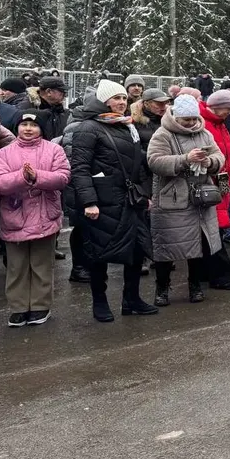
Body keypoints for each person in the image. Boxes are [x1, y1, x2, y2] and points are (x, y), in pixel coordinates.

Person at [66, 80, 159, 322]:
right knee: (100, 253)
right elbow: (80, 168)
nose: (121, 103)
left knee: (136, 250)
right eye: (116, 98)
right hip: (103, 201)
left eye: (124, 99)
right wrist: (88, 202)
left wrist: (145, 194)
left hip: (131, 200)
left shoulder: (128, 126)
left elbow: (139, 164)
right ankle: (100, 302)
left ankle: (132, 299)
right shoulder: (88, 127)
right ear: (103, 101)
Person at [146, 94, 230, 305]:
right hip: (171, 200)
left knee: (199, 246)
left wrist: (209, 162)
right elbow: (154, 161)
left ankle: (195, 286)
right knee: (166, 246)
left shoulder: (204, 133)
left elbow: (220, 157)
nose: (191, 123)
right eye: (187, 119)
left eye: (194, 118)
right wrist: (185, 159)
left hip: (200, 199)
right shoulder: (162, 134)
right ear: (176, 116)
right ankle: (162, 288)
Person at [0, 111, 71, 327]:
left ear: (41, 129)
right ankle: (18, 307)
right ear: (17, 127)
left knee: (41, 264)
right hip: (14, 216)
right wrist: (21, 177)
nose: (28, 129)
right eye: (24, 124)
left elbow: (63, 177)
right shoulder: (3, 153)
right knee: (16, 266)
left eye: (33, 125)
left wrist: (37, 176)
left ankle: (40, 305)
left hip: (44, 215)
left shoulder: (54, 150)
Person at [200, 89, 230, 246]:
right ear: (217, 106)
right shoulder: (203, 124)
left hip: (221, 180)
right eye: (228, 108)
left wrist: (228, 185)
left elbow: (227, 157)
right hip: (209, 184)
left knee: (221, 218)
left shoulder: (220, 124)